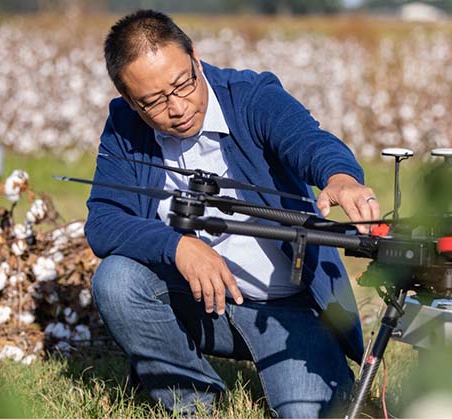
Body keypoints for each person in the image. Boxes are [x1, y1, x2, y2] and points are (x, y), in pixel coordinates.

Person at [85, 9, 380, 418]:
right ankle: (192, 403)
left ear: (195, 56)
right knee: (116, 280)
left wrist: (341, 177)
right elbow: (103, 222)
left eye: (183, 83)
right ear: (131, 102)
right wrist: (178, 247)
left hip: (288, 309)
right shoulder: (123, 126)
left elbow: (309, 141)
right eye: (153, 102)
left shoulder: (251, 96)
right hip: (203, 304)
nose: (177, 108)